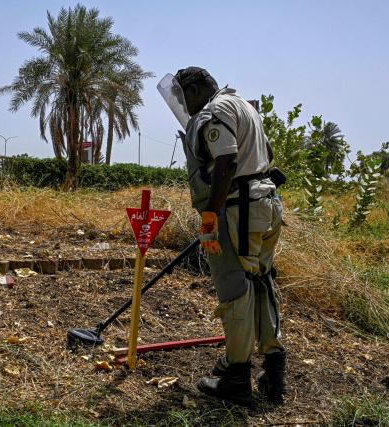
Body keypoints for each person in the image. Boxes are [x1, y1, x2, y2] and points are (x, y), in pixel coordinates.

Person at [157, 67, 287, 407]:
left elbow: (226, 162)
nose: (186, 106)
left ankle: (237, 378)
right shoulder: (242, 104)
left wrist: (211, 213)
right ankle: (274, 371)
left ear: (197, 89)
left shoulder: (215, 111)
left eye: (185, 98)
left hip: (240, 210)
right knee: (261, 284)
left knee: (236, 291)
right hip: (265, 205)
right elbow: (263, 158)